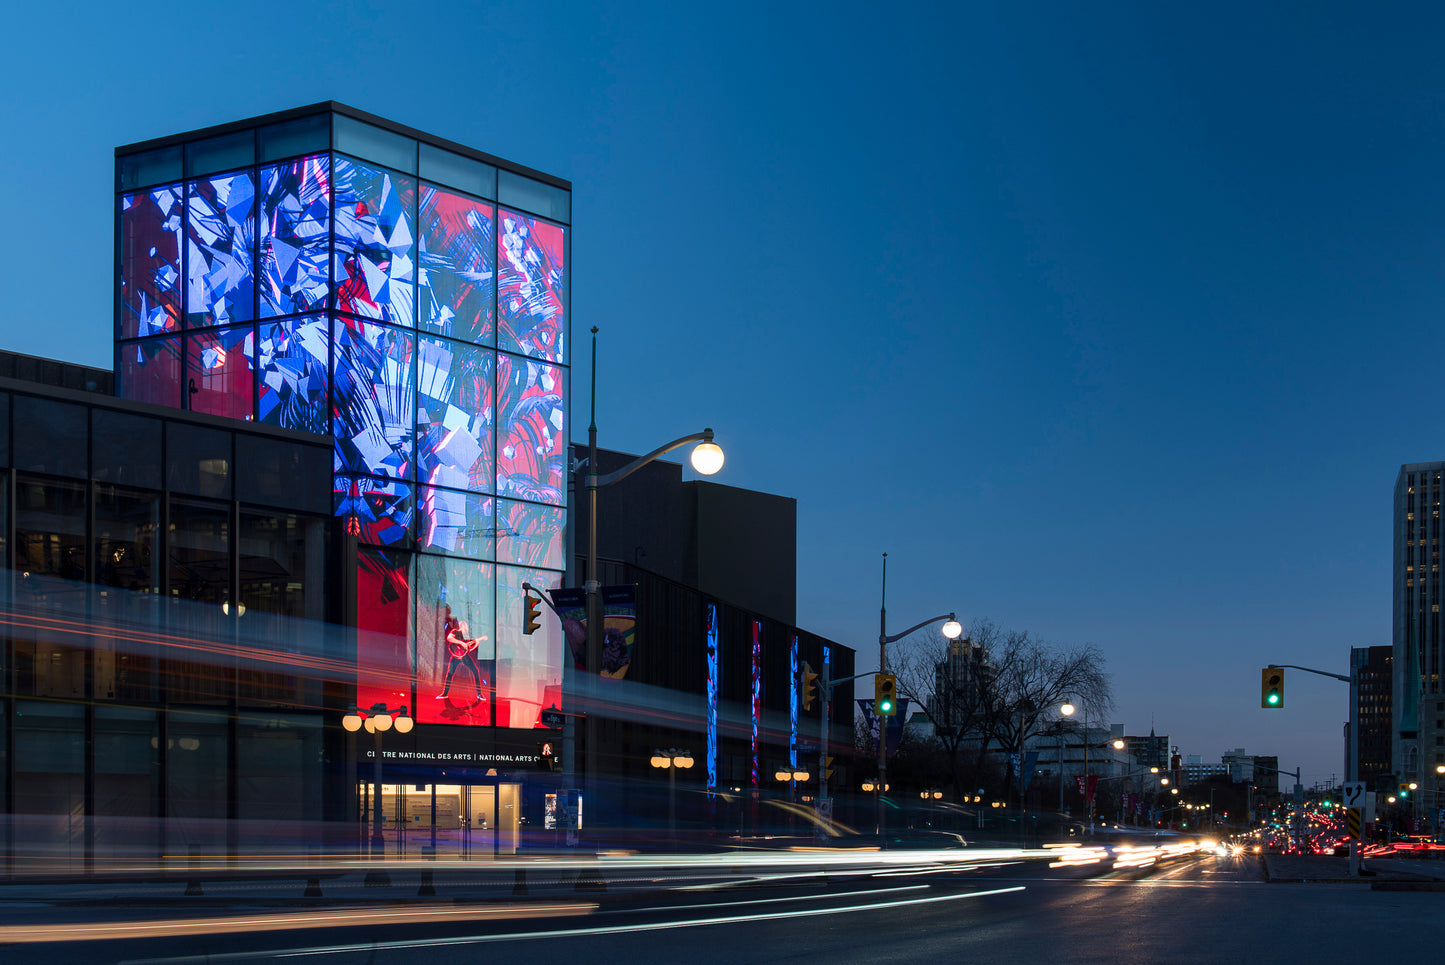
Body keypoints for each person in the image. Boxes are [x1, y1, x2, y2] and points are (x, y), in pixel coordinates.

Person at [439, 606, 484, 702]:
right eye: (466, 626)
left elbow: (472, 647)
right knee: (449, 674)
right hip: (455, 657)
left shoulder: (469, 636)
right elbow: (449, 638)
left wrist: (476, 643)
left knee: (475, 671)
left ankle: (480, 694)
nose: (467, 628)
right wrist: (462, 643)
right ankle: (444, 693)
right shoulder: (455, 632)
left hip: (465, 657)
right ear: (462, 626)